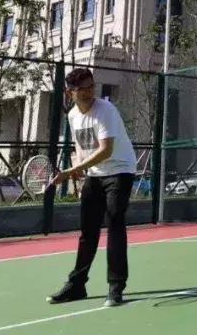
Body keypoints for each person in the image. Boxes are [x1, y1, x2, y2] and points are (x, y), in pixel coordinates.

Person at [48, 68, 138, 307]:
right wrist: (77, 167)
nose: (89, 92)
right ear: (70, 93)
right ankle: (77, 285)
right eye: (82, 89)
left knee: (115, 222)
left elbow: (106, 150)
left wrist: (70, 171)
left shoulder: (106, 110)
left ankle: (116, 287)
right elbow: (81, 147)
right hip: (95, 173)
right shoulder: (73, 116)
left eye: (91, 86)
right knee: (88, 231)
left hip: (120, 169)